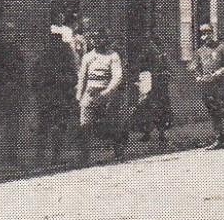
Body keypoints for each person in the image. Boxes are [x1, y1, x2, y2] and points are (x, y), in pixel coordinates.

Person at [75, 31, 124, 165]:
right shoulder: (87, 57)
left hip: (107, 93)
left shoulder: (113, 56)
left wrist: (108, 91)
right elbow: (82, 77)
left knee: (111, 123)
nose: (97, 41)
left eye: (101, 39)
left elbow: (117, 77)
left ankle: (118, 150)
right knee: (84, 124)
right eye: (94, 39)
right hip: (90, 93)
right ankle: (84, 155)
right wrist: (79, 96)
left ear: (106, 40)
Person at [31, 29, 78, 166]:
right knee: (55, 126)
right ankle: (52, 156)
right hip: (56, 96)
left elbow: (35, 75)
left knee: (46, 126)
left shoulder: (45, 54)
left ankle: (43, 156)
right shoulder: (64, 53)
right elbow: (73, 76)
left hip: (50, 95)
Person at [190, 23, 224, 150]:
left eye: (208, 32)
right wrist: (198, 76)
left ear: (212, 33)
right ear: (200, 36)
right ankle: (219, 139)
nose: (206, 35)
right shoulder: (200, 51)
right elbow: (194, 66)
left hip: (222, 85)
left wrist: (220, 72)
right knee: (214, 112)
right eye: (204, 33)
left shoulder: (222, 47)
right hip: (208, 86)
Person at [0, 23, 28, 164]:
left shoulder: (18, 52)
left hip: (14, 92)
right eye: (6, 32)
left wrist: (21, 90)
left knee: (13, 124)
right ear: (1, 34)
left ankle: (11, 155)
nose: (9, 35)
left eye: (11, 32)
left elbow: (22, 73)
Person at [135, 37, 174, 149]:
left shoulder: (163, 57)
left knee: (162, 110)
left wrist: (164, 77)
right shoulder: (144, 58)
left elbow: (168, 71)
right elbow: (140, 70)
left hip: (160, 88)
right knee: (146, 109)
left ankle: (162, 134)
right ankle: (147, 133)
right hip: (148, 87)